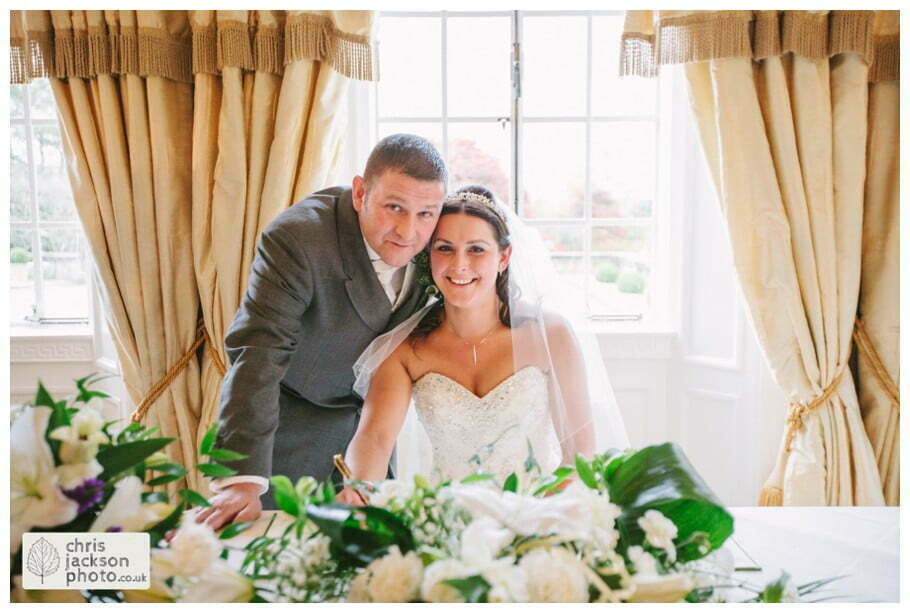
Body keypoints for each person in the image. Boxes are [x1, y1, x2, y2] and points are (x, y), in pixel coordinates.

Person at [197, 134, 447, 531]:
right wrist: (242, 478)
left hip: (375, 445)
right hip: (285, 440)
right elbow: (259, 351)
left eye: (425, 214)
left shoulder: (441, 246)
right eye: (394, 207)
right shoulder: (298, 240)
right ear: (361, 192)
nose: (408, 231)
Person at [338, 185, 628, 504]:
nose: (459, 265)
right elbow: (375, 439)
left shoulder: (551, 336)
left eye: (476, 249)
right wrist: (359, 487)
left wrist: (534, 520)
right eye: (445, 248)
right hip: (446, 521)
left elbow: (579, 455)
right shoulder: (407, 349)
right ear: (428, 256)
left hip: (536, 517)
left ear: (504, 257)